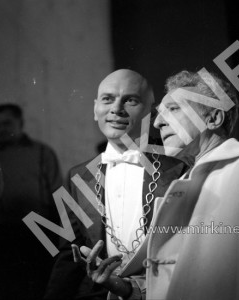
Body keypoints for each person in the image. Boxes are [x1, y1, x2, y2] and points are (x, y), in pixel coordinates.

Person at [73, 70, 239, 300]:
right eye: (159, 113)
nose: (158, 122)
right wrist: (125, 288)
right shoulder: (184, 181)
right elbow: (176, 274)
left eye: (174, 109)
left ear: (213, 119)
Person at [44, 69, 186, 300]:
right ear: (95, 109)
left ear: (151, 112)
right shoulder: (77, 176)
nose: (116, 109)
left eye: (130, 100)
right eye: (107, 99)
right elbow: (68, 256)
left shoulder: (180, 168)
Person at [0, 103, 62, 300]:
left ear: (21, 123)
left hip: (39, 230)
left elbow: (57, 193)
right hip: (3, 232)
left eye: (7, 123)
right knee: (9, 287)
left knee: (41, 285)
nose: (2, 129)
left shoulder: (42, 153)